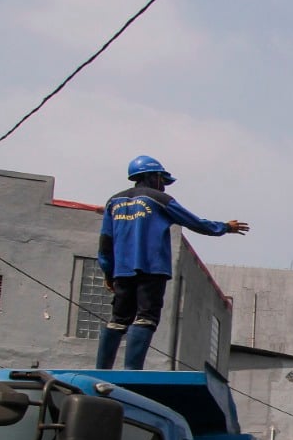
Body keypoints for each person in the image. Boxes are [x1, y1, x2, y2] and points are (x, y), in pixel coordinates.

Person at [95, 155, 249, 369]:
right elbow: (195, 222)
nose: (164, 186)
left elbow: (105, 241)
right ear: (153, 176)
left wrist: (108, 272)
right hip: (151, 269)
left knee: (118, 319)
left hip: (122, 272)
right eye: (162, 180)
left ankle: (102, 369)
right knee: (146, 317)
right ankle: (132, 370)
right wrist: (224, 227)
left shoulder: (114, 202)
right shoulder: (158, 200)